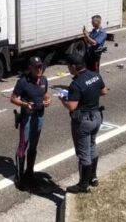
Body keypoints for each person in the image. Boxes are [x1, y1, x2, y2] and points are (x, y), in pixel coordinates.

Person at [59, 53, 109, 193]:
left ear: (74, 67)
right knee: (92, 146)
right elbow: (104, 91)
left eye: (69, 66)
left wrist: (63, 100)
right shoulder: (95, 75)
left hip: (83, 120)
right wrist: (90, 96)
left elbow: (72, 107)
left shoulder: (76, 84)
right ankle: (93, 178)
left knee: (83, 153)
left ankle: (83, 184)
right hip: (97, 116)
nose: (69, 69)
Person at [10, 56, 51, 188]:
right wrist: (24, 104)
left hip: (39, 116)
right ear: (30, 68)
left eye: (41, 67)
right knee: (23, 144)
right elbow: (13, 98)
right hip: (27, 117)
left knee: (33, 146)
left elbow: (45, 94)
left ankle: (29, 173)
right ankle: (20, 176)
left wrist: (48, 101)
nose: (40, 69)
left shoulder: (44, 80)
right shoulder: (23, 82)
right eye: (37, 67)